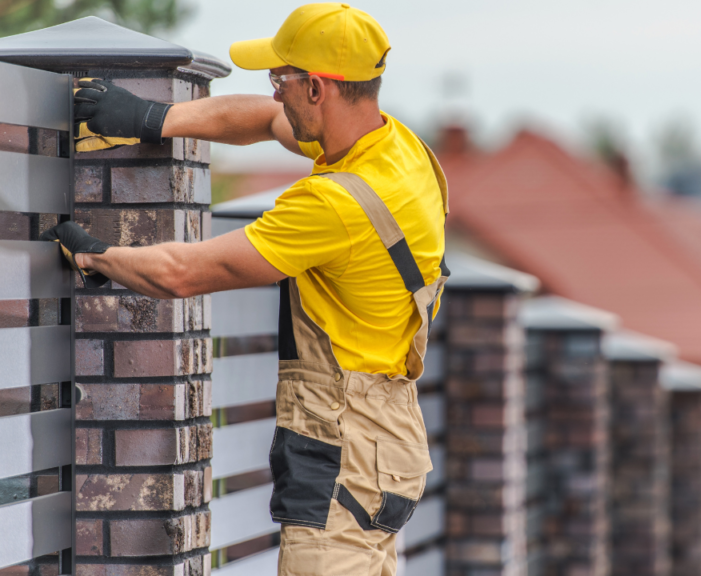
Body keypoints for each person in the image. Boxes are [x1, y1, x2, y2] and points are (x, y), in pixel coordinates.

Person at [44, 4, 447, 575]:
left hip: (343, 446)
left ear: (317, 88)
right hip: (387, 440)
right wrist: (156, 117)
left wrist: (94, 254)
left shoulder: (334, 204)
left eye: (281, 80)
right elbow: (263, 120)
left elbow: (186, 272)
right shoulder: (396, 150)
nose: (274, 91)